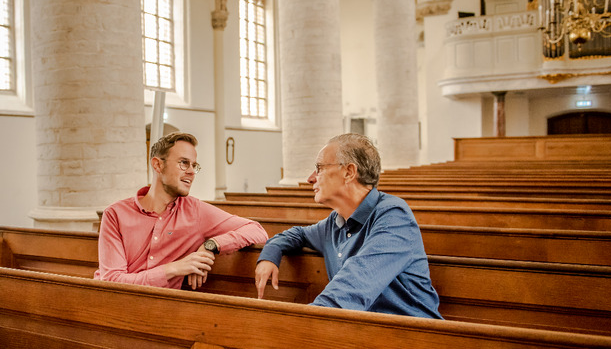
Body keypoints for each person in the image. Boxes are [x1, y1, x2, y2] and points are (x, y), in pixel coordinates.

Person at [254, 133, 442, 318]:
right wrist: (270, 255)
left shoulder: (394, 216)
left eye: (319, 168)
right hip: (362, 333)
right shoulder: (333, 223)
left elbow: (356, 283)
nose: (310, 178)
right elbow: (298, 234)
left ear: (349, 172)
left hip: (413, 337)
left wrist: (303, 320)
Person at [96, 132, 268, 290]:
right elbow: (112, 281)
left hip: (165, 310)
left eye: (194, 165)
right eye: (184, 163)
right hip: (114, 307)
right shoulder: (116, 214)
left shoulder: (196, 212)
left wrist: (210, 246)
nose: (192, 172)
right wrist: (174, 268)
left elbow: (256, 230)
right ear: (158, 165)